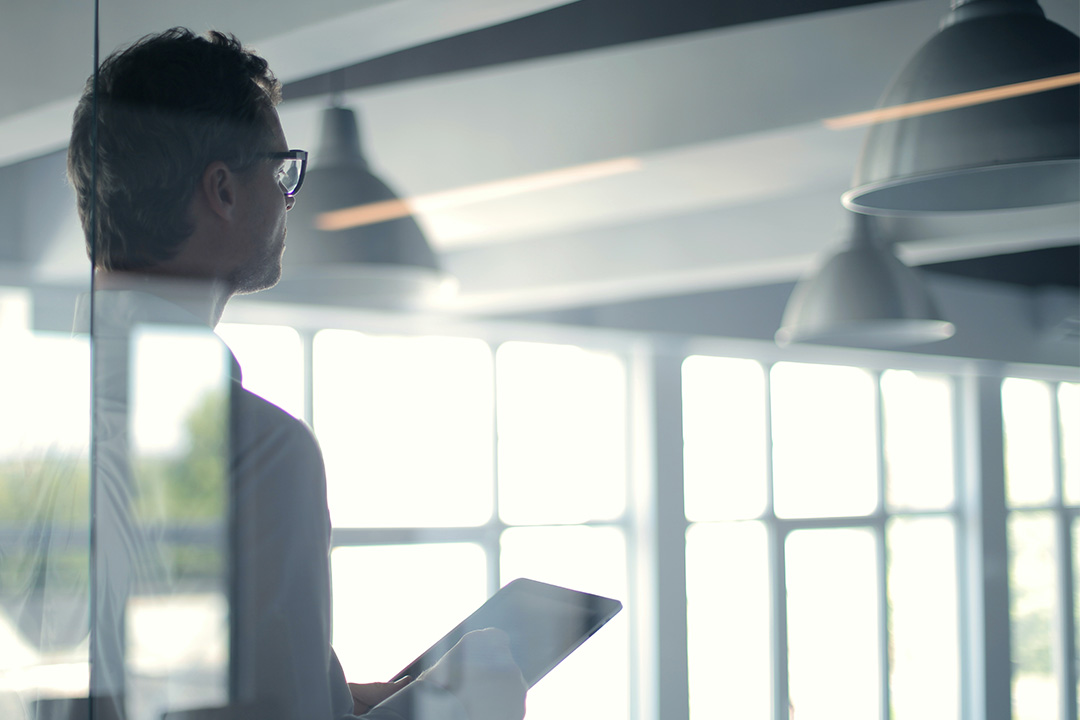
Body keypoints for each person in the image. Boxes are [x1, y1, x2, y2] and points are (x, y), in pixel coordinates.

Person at [66, 27, 526, 720]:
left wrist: (357, 699)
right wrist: (466, 711)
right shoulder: (253, 451)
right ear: (221, 189)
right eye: (281, 173)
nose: (289, 198)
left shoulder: (33, 413)